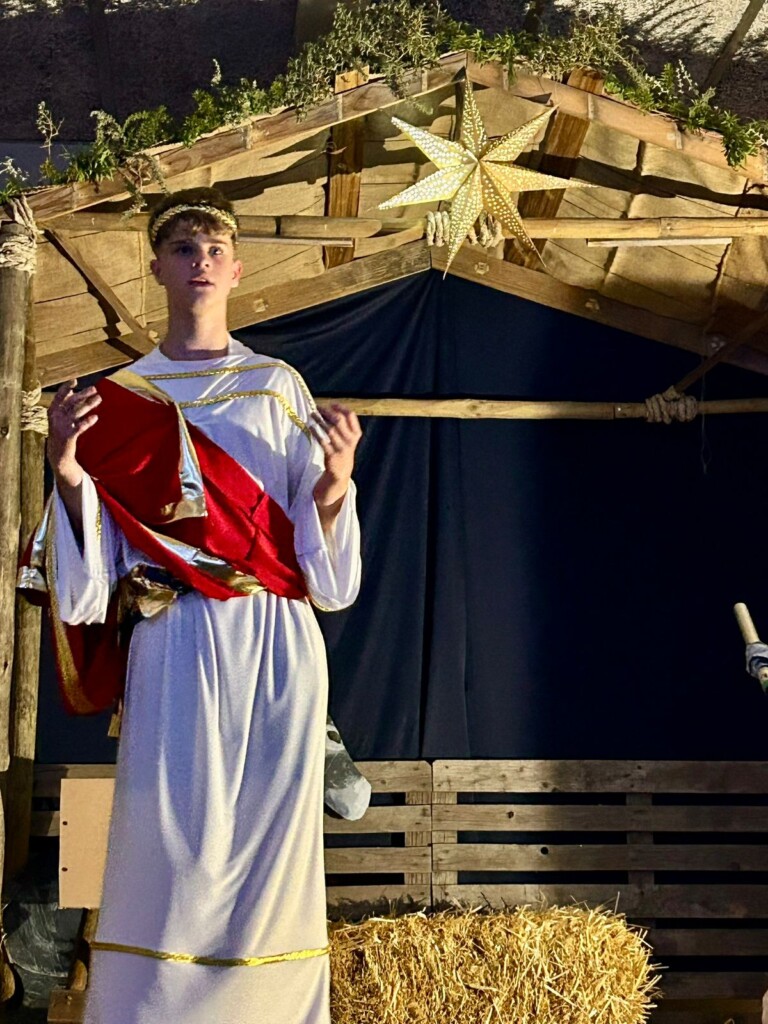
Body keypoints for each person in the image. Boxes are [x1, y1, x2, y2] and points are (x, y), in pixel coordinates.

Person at [43, 188, 362, 1024]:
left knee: (271, 845)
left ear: (238, 268)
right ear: (157, 267)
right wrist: (70, 472)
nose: (201, 261)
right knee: (172, 843)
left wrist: (333, 487)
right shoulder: (117, 400)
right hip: (176, 636)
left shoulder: (273, 386)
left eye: (215, 248)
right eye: (184, 248)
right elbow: (82, 587)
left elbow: (325, 575)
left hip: (273, 640)